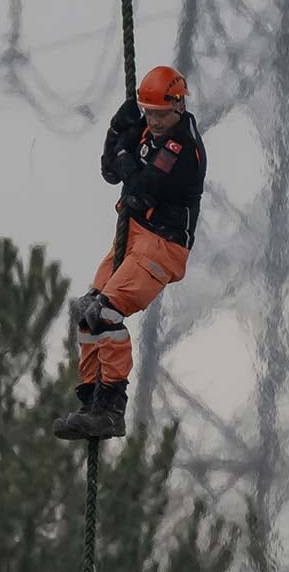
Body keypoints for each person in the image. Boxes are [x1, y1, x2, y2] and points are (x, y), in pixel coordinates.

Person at [53, 65, 207, 440]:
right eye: (148, 113)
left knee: (107, 312)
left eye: (161, 114)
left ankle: (112, 409)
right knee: (87, 313)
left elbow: (142, 184)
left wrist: (124, 151)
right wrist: (114, 133)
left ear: (179, 106)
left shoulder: (182, 148)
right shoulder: (149, 131)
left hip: (163, 244)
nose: (153, 121)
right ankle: (92, 399)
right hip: (135, 234)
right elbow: (111, 172)